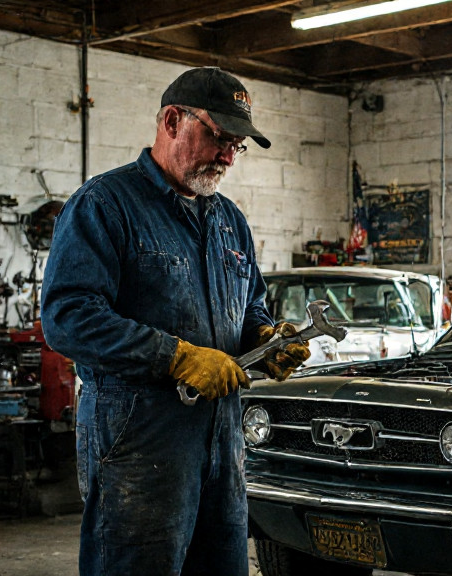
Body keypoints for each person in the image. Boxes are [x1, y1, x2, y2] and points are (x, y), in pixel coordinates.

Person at [40, 66, 310, 576]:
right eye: (218, 137)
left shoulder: (229, 219)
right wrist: (177, 357)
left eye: (238, 144)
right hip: (138, 446)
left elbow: (251, 302)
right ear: (171, 121)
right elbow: (67, 317)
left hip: (222, 447)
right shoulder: (105, 205)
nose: (229, 155)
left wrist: (266, 337)